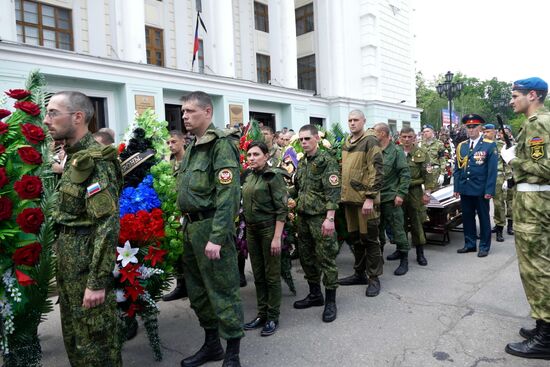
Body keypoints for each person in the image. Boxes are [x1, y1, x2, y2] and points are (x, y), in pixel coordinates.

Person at [44, 91, 122, 366]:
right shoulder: (75, 159)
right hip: (70, 271)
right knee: (77, 347)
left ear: (77, 117)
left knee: (97, 351)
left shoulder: (96, 161)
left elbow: (106, 224)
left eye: (53, 113)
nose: (46, 120)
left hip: (87, 272)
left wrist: (97, 282)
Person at [176, 91, 243, 367]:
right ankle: (212, 345)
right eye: (182, 112)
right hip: (191, 228)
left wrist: (217, 237)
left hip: (211, 227)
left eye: (190, 111)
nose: (184, 116)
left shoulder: (221, 146)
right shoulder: (193, 146)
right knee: (198, 291)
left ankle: (233, 353)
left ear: (207, 112)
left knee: (222, 289)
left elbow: (228, 195)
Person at [501, 77, 550, 359]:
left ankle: (546, 337)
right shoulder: (536, 123)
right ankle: (543, 325)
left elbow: (544, 167)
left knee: (537, 270)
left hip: (535, 208)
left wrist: (512, 160)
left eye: (515, 95)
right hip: (533, 204)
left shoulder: (538, 123)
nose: (511, 100)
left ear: (532, 95)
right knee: (538, 267)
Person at [293, 124, 341, 322]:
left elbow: (333, 192)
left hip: (320, 217)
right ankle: (315, 294)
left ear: (317, 139)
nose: (304, 142)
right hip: (303, 217)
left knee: (326, 259)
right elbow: (299, 189)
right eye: (301, 139)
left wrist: (330, 219)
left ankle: (331, 301)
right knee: (306, 257)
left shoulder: (326, 161)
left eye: (307, 139)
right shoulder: (303, 162)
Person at [241, 141, 287, 336]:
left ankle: (273, 316)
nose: (251, 158)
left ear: (266, 156)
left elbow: (282, 209)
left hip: (269, 231)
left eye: (256, 154)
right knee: (258, 275)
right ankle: (261, 314)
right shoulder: (248, 176)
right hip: (252, 231)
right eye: (249, 155)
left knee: (271, 275)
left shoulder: (273, 176)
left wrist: (277, 237)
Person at [338, 110, 384, 296]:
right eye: (349, 120)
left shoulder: (370, 140)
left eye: (356, 120)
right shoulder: (347, 142)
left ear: (364, 121)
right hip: (350, 200)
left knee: (371, 239)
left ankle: (374, 278)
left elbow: (377, 170)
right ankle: (359, 274)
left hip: (366, 201)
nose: (352, 123)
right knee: (355, 239)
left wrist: (370, 198)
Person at [453, 114, 498, 258]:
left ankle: (484, 246)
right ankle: (470, 244)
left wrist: (489, 190)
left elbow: (492, 171)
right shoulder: (462, 146)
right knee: (467, 217)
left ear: (480, 128)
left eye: (474, 127)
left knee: (484, 219)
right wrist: (456, 188)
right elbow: (457, 168)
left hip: (481, 190)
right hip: (465, 188)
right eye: (468, 127)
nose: (471, 130)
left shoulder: (489, 145)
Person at [373, 123, 412, 275]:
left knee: (398, 230)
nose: (372, 133)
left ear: (382, 133)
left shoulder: (396, 151)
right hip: (376, 198)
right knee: (377, 230)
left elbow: (405, 174)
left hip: (391, 197)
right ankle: (379, 257)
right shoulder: (374, 151)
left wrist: (400, 194)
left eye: (375, 131)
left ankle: (404, 260)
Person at [399, 127, 436, 266]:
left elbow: (428, 174)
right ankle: (400, 250)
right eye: (404, 137)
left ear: (414, 137)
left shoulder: (422, 153)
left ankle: (420, 253)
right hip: (400, 193)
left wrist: (427, 193)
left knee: (417, 223)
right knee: (400, 223)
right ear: (400, 138)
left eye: (409, 137)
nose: (407, 139)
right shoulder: (396, 153)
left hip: (415, 192)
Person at [162, 130, 189, 301]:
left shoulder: (190, 161)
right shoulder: (168, 164)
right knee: (175, 253)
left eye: (173, 142)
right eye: (168, 143)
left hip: (187, 213)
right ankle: (181, 285)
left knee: (189, 253)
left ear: (183, 141)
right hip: (172, 214)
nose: (171, 146)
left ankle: (194, 286)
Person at [490, 126, 515, 241]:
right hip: (497, 177)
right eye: (500, 132)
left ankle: (510, 225)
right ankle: (499, 226)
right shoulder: (494, 144)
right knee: (498, 204)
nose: (501, 134)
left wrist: (508, 177)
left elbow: (511, 163)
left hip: (510, 177)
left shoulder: (514, 144)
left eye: (504, 132)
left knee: (510, 202)